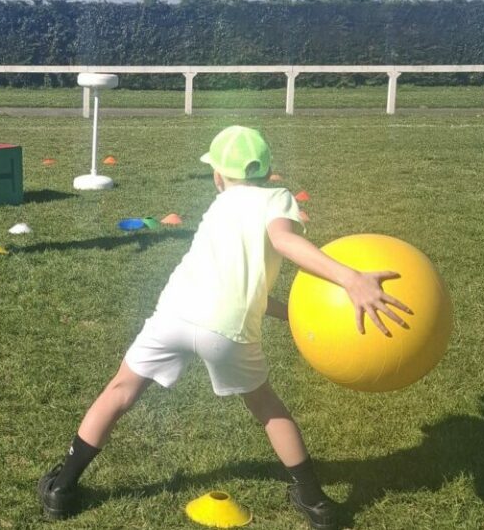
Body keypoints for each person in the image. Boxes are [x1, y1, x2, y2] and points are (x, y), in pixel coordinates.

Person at [36, 126, 412, 529]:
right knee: (267, 407)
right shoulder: (277, 198)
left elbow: (251, 266)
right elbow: (275, 251)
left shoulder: (220, 206)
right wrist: (348, 278)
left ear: (218, 175)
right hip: (227, 331)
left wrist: (320, 296)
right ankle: (314, 502)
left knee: (120, 390)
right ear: (269, 173)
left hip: (175, 313)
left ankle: (62, 488)